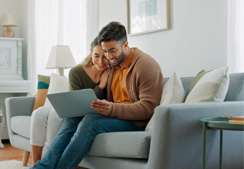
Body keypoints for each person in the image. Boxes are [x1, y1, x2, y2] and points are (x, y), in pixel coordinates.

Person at [30, 21, 163, 169]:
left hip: (135, 121)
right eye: (105, 51)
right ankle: (41, 167)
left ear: (125, 45)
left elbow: (148, 108)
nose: (108, 56)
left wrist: (112, 109)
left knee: (91, 122)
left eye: (112, 50)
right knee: (72, 119)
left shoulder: (145, 66)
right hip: (115, 116)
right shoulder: (113, 64)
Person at [30, 36, 109, 166]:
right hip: (77, 113)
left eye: (104, 56)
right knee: (68, 122)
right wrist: (100, 87)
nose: (101, 61)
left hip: (96, 115)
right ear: (91, 53)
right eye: (96, 56)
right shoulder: (77, 72)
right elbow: (76, 104)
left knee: (73, 122)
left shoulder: (112, 73)